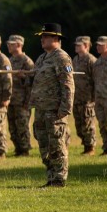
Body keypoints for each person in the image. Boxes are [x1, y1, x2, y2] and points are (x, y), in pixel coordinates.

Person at [30, 23, 75, 187]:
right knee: (44, 146)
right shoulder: (42, 58)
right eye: (42, 37)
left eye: (46, 36)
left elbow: (68, 85)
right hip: (41, 109)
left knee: (57, 144)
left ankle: (59, 178)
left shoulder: (62, 58)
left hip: (54, 110)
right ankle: (50, 177)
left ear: (56, 38)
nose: (42, 39)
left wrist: (65, 108)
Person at [6, 35, 35, 156]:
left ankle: (24, 149)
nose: (9, 46)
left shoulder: (26, 61)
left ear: (19, 45)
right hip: (11, 100)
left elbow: (33, 83)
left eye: (11, 44)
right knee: (13, 127)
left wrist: (24, 78)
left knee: (22, 126)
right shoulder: (10, 60)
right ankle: (18, 148)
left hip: (22, 101)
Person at [72, 36, 97, 155]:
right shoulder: (75, 59)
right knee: (79, 125)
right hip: (76, 98)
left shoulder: (91, 60)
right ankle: (86, 145)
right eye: (76, 45)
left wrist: (94, 97)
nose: (76, 46)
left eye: (79, 45)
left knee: (88, 124)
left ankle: (90, 147)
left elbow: (96, 80)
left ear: (86, 46)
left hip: (88, 98)